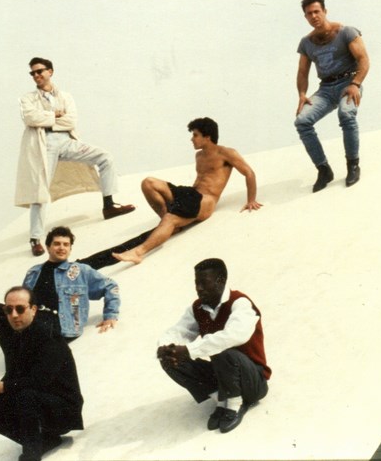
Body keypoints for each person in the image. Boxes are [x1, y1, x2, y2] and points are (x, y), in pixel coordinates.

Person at [15, 57, 135, 257]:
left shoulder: (65, 96)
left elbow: (70, 121)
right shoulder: (27, 99)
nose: (36, 75)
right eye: (32, 73)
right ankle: (35, 238)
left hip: (66, 141)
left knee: (105, 157)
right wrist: (55, 115)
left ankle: (109, 206)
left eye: (39, 71)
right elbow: (30, 118)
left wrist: (47, 119)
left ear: (50, 71)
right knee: (40, 189)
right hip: (44, 145)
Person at [113, 117, 261, 264]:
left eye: (195, 135)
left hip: (206, 201)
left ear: (207, 137)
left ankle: (138, 253)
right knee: (148, 183)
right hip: (191, 194)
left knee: (170, 218)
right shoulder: (199, 155)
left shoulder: (226, 153)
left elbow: (249, 173)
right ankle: (170, 224)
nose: (192, 139)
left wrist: (251, 200)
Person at [157, 258, 271, 433]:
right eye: (196, 283)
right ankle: (221, 400)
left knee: (222, 348)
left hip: (252, 381)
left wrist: (188, 350)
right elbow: (179, 331)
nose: (199, 288)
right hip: (224, 374)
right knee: (171, 360)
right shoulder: (198, 308)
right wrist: (166, 348)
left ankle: (235, 403)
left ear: (221, 280)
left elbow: (233, 336)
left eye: (204, 283)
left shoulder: (240, 303)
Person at [0, 286, 83, 461]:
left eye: (20, 309)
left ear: (33, 309)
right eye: (9, 310)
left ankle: (31, 455)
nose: (14, 315)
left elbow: (39, 381)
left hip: (63, 411)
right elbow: (16, 373)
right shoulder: (18, 336)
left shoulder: (48, 336)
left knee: (26, 396)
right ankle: (45, 440)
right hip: (35, 400)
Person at [294, 0, 370, 192]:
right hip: (326, 89)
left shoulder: (346, 32)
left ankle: (353, 164)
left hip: (348, 83)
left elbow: (363, 59)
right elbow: (302, 71)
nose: (314, 16)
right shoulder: (306, 42)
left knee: (346, 114)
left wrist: (355, 84)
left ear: (325, 11)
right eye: (309, 14)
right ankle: (323, 169)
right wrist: (302, 94)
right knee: (302, 121)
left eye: (316, 11)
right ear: (305, 17)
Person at [23, 226, 120, 341]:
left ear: (70, 249)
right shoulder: (33, 272)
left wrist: (110, 316)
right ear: (48, 247)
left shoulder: (81, 271)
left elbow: (111, 286)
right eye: (57, 244)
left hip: (62, 330)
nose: (61, 248)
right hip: (32, 327)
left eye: (66, 244)